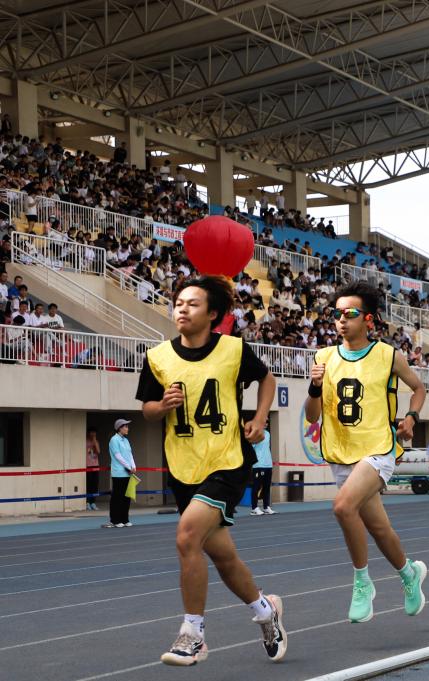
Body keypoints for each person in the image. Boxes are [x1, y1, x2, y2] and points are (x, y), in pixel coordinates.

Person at [136, 275, 285, 666]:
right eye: (179, 302)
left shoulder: (233, 350)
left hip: (227, 460)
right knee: (223, 557)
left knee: (187, 538)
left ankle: (193, 634)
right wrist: (162, 406)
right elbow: (146, 410)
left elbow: (267, 379)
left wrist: (260, 417)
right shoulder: (158, 358)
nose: (182, 308)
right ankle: (266, 612)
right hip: (184, 466)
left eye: (193, 303)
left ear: (213, 314)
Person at [305, 280, 428, 623]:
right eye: (337, 314)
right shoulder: (324, 358)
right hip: (341, 453)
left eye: (351, 313)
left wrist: (411, 416)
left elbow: (418, 389)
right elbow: (312, 416)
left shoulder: (388, 355)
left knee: (343, 508)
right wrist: (314, 387)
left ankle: (362, 582)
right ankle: (408, 574)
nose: (342, 320)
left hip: (378, 448)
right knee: (379, 529)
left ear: (369, 319)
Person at [102, 419, 136, 529]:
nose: (127, 428)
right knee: (118, 497)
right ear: (119, 428)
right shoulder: (114, 440)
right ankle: (115, 520)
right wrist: (128, 466)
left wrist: (133, 466)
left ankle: (125, 519)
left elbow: (130, 455)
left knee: (126, 497)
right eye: (125, 426)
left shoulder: (126, 440)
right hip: (118, 473)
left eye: (127, 426)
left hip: (128, 473)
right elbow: (118, 456)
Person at [250, 428, 274, 515]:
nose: (266, 423)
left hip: (268, 464)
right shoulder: (255, 433)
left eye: (267, 421)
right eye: (265, 421)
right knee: (256, 487)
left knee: (266, 487)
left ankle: (266, 507)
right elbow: (251, 448)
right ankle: (254, 508)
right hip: (258, 464)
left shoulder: (268, 433)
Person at [85, 427, 101, 511]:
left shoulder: (96, 442)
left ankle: (93, 502)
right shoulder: (85, 441)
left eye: (95, 433)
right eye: (92, 432)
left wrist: (94, 441)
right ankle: (87, 502)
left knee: (95, 484)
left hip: (95, 465)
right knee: (89, 484)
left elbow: (98, 451)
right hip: (88, 465)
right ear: (88, 433)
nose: (93, 434)